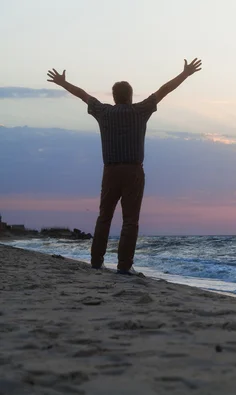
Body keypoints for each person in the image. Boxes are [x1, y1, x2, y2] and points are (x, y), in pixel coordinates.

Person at [46, 58, 203, 274]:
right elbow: (164, 90)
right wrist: (185, 74)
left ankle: (96, 261)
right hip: (133, 171)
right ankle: (124, 266)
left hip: (110, 171)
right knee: (130, 221)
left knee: (105, 217)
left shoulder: (104, 112)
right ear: (130, 96)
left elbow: (83, 95)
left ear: (114, 97)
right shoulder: (140, 110)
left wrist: (63, 83)